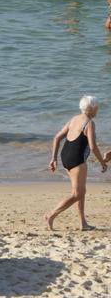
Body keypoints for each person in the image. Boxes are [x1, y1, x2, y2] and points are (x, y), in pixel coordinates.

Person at [47, 96, 107, 231]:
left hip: (66, 156)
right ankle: (51, 215)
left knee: (80, 191)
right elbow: (92, 147)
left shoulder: (74, 119)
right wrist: (102, 162)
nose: (98, 110)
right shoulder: (89, 123)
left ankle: (83, 224)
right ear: (91, 109)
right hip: (77, 159)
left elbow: (57, 137)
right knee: (77, 194)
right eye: (97, 107)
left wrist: (54, 158)